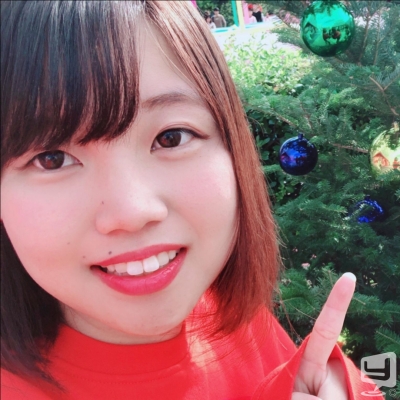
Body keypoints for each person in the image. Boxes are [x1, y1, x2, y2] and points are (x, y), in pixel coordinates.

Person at [0, 1, 382, 399]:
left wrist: (338, 385)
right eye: (52, 159)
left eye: (171, 138)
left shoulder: (228, 316)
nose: (132, 212)